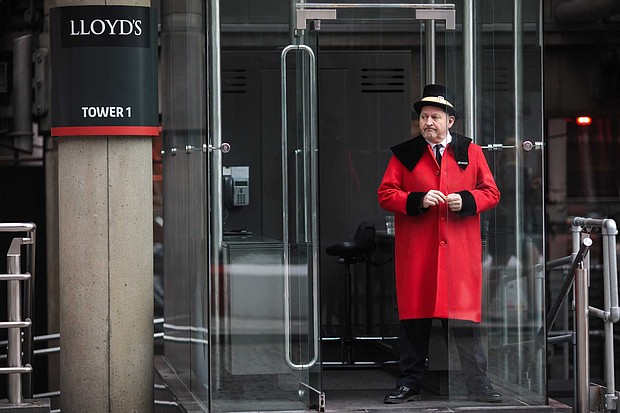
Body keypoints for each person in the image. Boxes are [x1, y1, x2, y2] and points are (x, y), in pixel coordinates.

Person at [377, 84, 502, 404]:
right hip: (418, 254)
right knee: (414, 323)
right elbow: (386, 195)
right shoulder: (405, 154)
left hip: (459, 255)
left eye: (435, 116)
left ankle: (478, 385)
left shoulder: (470, 151)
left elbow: (492, 192)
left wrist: (467, 200)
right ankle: (408, 384)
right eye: (423, 117)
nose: (428, 122)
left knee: (464, 324)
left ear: (451, 121)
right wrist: (416, 199)